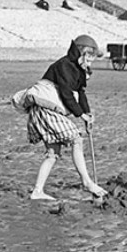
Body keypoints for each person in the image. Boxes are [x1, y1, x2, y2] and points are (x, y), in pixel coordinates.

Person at [25, 35, 107, 201]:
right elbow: (66, 93)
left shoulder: (79, 69)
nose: (91, 62)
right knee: (76, 139)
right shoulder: (64, 65)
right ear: (81, 53)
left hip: (46, 110)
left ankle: (37, 192)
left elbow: (81, 92)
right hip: (45, 108)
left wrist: (87, 114)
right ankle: (87, 182)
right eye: (89, 57)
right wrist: (80, 114)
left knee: (52, 154)